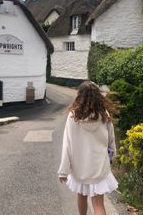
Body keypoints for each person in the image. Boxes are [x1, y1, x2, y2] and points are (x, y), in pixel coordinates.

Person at [58, 81, 118, 215]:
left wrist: (63, 171)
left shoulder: (73, 116)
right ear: (98, 96)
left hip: (80, 165)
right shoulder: (104, 115)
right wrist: (112, 157)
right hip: (99, 164)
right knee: (98, 203)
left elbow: (67, 144)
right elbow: (111, 140)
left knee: (81, 195)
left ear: (80, 96)